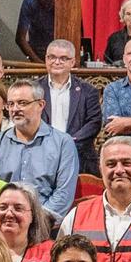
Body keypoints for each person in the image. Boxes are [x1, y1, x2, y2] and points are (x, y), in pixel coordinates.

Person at [0, 79, 79, 219]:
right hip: (4, 221)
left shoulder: (63, 142)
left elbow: (63, 194)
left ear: (40, 104)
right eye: (11, 104)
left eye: (22, 103)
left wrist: (34, 220)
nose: (15, 109)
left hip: (46, 225)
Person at [40, 40, 104, 175]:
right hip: (41, 157)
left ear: (72, 62)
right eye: (52, 57)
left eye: (63, 58)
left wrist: (69, 143)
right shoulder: (33, 89)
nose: (57, 62)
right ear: (46, 59)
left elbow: (94, 123)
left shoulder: (88, 91)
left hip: (80, 158)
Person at [0, 182, 56, 262]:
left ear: (33, 215)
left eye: (18, 208)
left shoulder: (52, 253)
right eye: (3, 207)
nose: (9, 213)